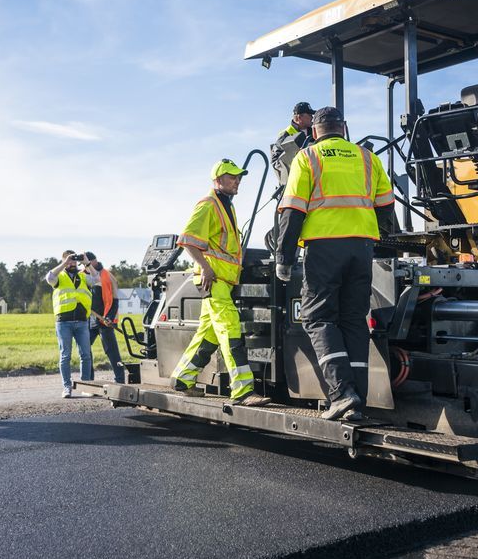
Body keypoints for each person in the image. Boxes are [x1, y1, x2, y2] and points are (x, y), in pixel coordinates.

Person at [275, 107, 397, 421]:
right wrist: (381, 241)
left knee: (317, 319)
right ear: (343, 128)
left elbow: (292, 211)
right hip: (361, 248)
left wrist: (283, 258)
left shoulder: (308, 157)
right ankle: (358, 400)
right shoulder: (368, 158)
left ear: (315, 132)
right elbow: (386, 207)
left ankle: (342, 395)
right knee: (354, 320)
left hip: (324, 247)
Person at [170, 159, 271, 407]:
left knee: (210, 334)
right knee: (230, 329)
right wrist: (205, 268)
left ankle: (183, 378)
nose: (237, 181)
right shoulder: (207, 205)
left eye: (238, 177)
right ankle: (243, 390)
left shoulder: (226, 206)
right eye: (232, 177)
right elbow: (187, 241)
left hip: (222, 280)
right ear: (218, 180)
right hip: (213, 280)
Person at [46, 250, 93, 398]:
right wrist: (64, 263)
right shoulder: (59, 277)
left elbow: (97, 279)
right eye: (69, 260)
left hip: (82, 321)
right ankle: (67, 387)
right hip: (64, 322)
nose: (72, 263)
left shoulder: (83, 276)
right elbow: (49, 277)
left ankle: (86, 386)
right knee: (65, 356)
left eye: (74, 260)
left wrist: (87, 263)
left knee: (85, 355)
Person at [83, 251, 126, 384]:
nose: (85, 266)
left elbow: (115, 299)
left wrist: (109, 317)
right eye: (83, 263)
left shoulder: (107, 276)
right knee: (85, 350)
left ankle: (120, 380)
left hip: (105, 319)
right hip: (90, 319)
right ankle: (89, 380)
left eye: (87, 262)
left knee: (112, 351)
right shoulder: (82, 276)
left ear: (94, 261)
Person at [270, 101, 315, 187]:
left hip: (312, 181)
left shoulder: (314, 133)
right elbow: (276, 161)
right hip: (294, 184)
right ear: (299, 117)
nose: (312, 117)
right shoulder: (285, 134)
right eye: (309, 115)